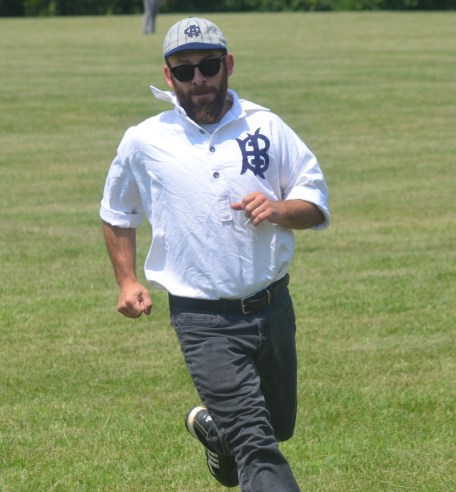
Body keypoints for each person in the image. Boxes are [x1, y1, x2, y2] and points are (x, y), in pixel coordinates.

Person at [100, 16, 330, 492]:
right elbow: (117, 211)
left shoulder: (267, 127)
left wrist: (281, 208)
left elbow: (314, 203)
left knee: (277, 426)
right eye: (184, 71)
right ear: (169, 77)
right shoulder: (144, 140)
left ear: (227, 65)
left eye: (207, 66)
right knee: (257, 444)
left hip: (273, 308)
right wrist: (126, 280)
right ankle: (231, 435)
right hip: (202, 320)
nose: (198, 79)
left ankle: (213, 430)